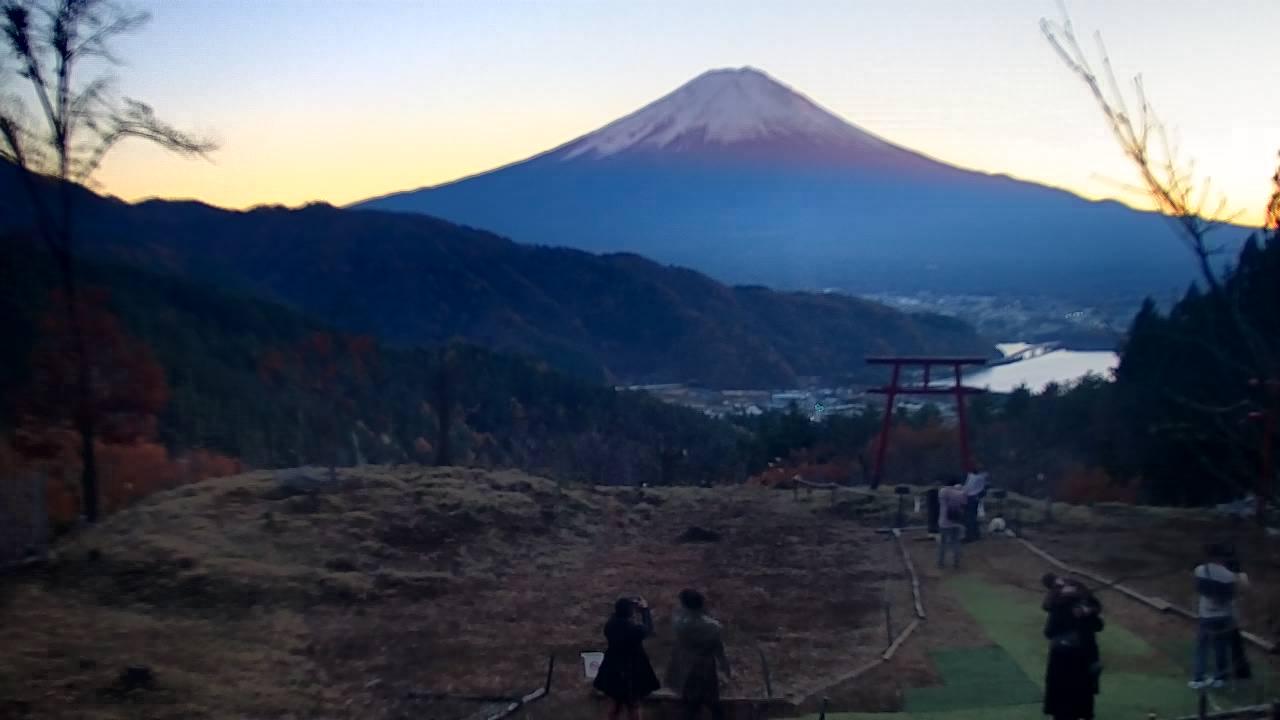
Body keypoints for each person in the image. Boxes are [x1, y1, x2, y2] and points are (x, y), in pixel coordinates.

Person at [1042, 580, 1105, 720]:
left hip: (1068, 660)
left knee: (1066, 702)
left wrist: (1086, 614)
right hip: (1080, 659)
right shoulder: (1073, 607)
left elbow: (1049, 632)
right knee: (1081, 700)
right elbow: (1099, 624)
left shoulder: (1061, 607)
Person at [666, 589, 731, 720]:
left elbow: (675, 621)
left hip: (687, 669)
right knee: (714, 704)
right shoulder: (714, 626)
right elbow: (719, 651)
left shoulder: (679, 625)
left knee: (690, 706)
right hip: (707, 668)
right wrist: (726, 669)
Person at [1190, 543, 1246, 689]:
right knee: (1220, 647)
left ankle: (1198, 678)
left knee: (1202, 646)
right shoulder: (1229, 576)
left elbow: (1197, 587)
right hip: (1224, 615)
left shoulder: (1201, 570)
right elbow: (1237, 592)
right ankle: (1219, 678)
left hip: (1206, 614)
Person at [593, 596, 660, 720]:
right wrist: (645, 611)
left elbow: (617, 615)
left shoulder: (610, 625)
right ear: (629, 612)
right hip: (631, 671)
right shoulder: (632, 629)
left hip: (613, 668)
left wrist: (627, 606)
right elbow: (648, 629)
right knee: (633, 705)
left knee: (614, 704)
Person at [937, 483, 966, 569]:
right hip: (956, 523)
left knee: (943, 543)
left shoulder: (944, 491)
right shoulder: (961, 494)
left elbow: (941, 496)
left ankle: (941, 563)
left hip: (944, 523)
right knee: (955, 542)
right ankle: (956, 562)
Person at [961, 466, 988, 542]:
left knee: (969, 518)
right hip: (974, 498)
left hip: (971, 498)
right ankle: (975, 534)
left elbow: (967, 488)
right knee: (973, 517)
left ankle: (970, 535)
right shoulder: (979, 477)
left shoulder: (974, 477)